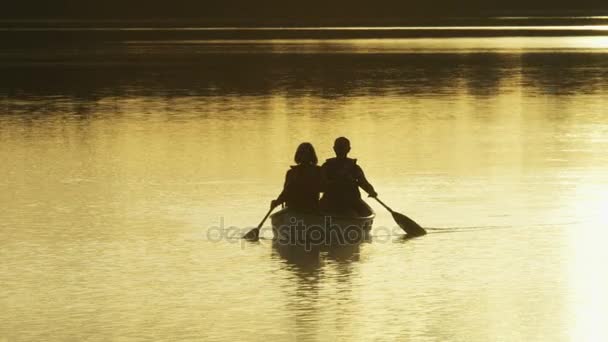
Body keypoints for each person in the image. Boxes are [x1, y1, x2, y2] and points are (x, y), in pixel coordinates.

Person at [320, 137, 377, 215]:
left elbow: (364, 183)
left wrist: (372, 191)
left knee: (362, 212)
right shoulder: (327, 166)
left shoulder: (354, 168)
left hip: (351, 201)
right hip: (331, 201)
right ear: (334, 149)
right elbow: (321, 185)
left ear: (348, 149)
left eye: (342, 148)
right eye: (339, 148)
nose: (340, 150)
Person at [271, 142, 323, 213]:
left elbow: (323, 188)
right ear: (298, 155)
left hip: (311, 209)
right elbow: (286, 192)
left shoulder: (318, 171)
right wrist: (277, 202)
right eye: (302, 153)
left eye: (306, 153)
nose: (304, 156)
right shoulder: (291, 173)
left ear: (311, 155)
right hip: (293, 208)